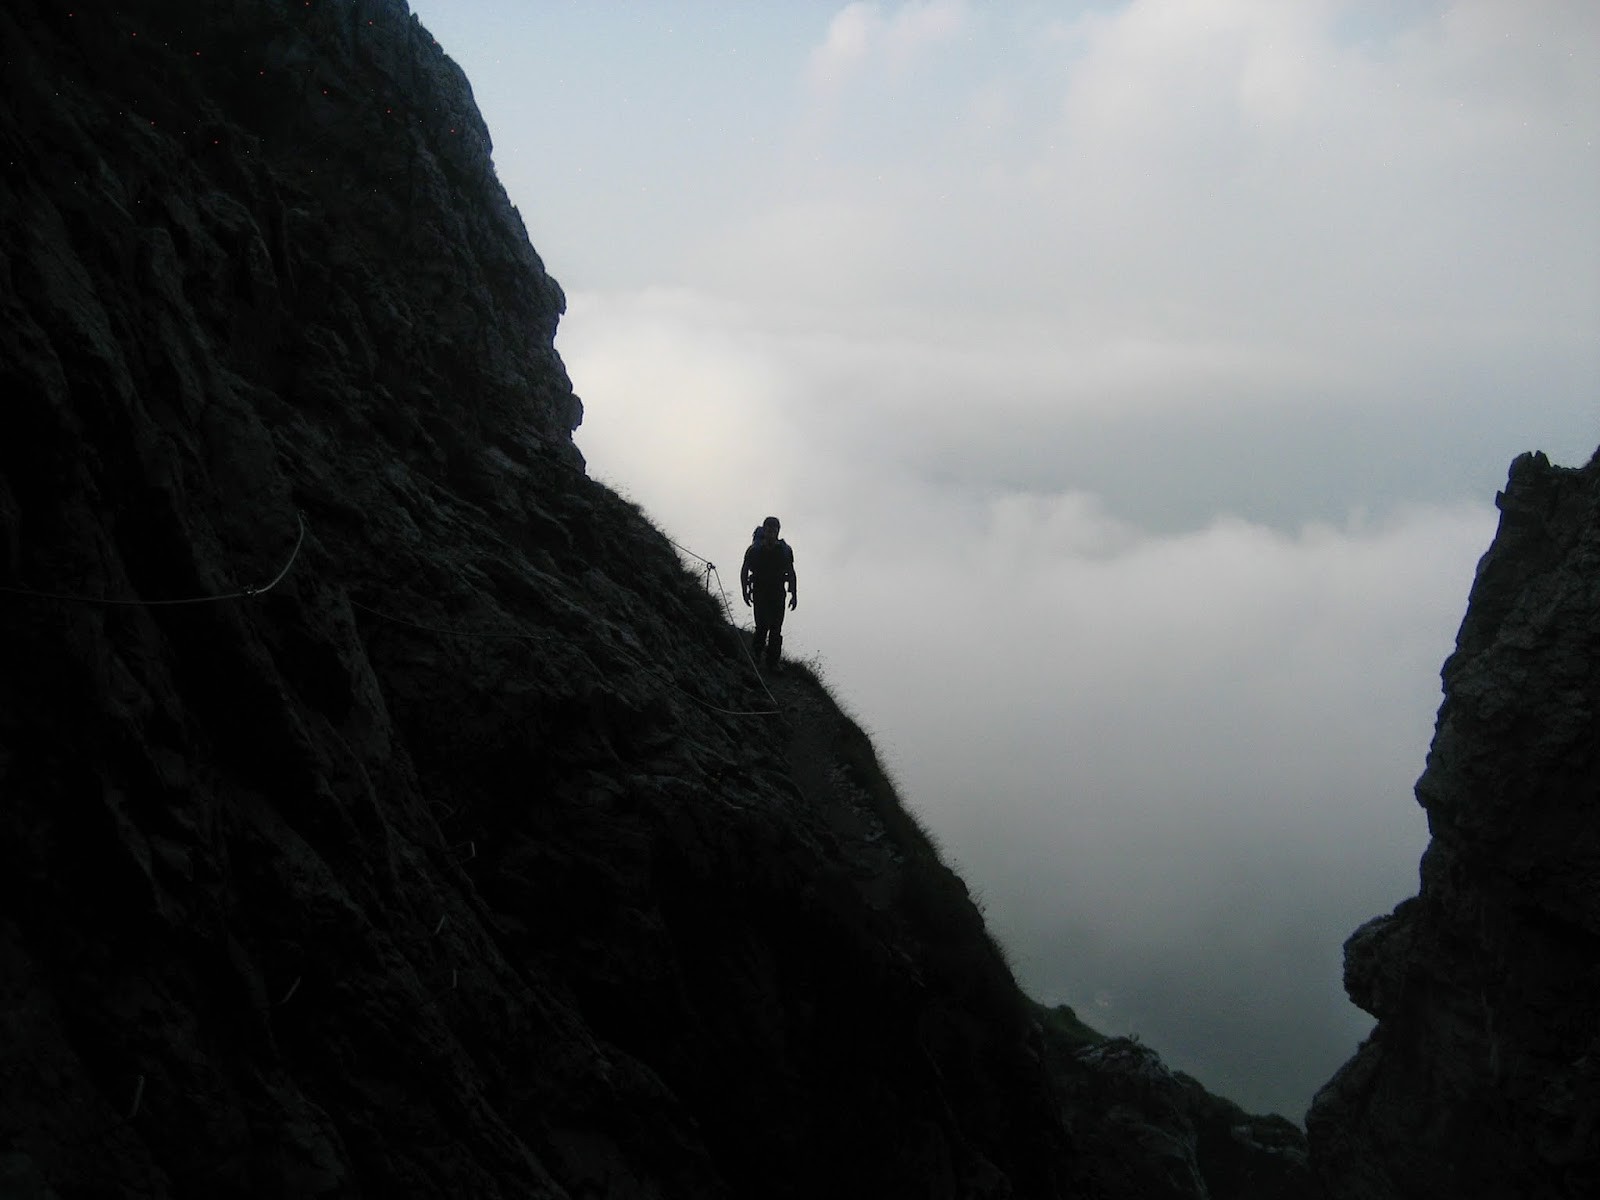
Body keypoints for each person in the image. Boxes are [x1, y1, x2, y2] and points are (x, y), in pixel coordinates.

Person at [740, 515, 797, 671]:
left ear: (778, 531)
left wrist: (794, 594)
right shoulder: (754, 551)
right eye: (769, 530)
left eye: (774, 530)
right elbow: (744, 570)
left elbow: (791, 573)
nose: (771, 533)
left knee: (776, 628)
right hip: (760, 591)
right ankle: (757, 655)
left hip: (778, 593)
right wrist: (744, 591)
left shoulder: (785, 551)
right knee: (762, 625)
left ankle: (772, 661)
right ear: (764, 530)